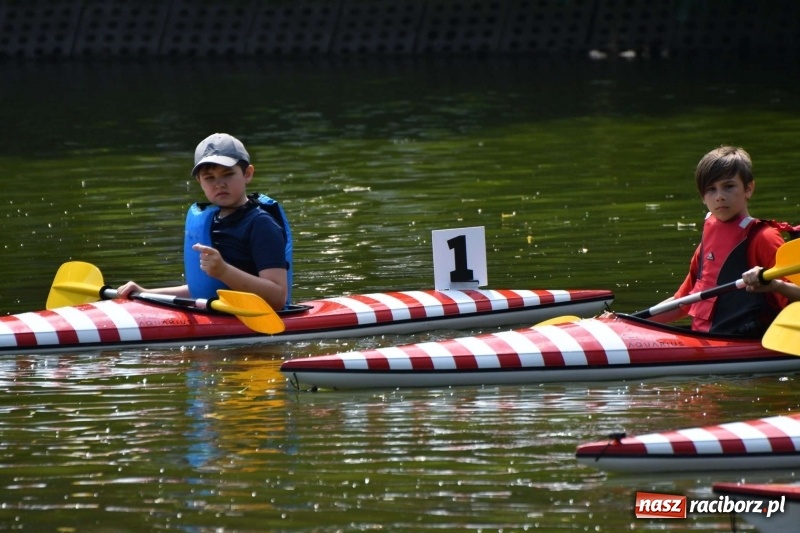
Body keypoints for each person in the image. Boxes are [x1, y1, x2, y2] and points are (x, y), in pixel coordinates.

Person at [117, 133, 291, 311]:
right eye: (209, 178)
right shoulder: (213, 222)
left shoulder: (262, 224)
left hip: (255, 317)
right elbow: (204, 290)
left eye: (228, 174)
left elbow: (277, 297)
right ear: (199, 181)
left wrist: (224, 271)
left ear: (247, 174)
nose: (219, 184)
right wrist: (145, 293)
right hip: (219, 314)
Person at [656, 145, 795, 335]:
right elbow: (683, 302)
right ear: (702, 197)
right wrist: (624, 321)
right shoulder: (707, 244)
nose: (720, 197)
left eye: (729, 186)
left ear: (748, 189)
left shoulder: (764, 238)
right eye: (711, 189)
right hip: (705, 339)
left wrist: (774, 285)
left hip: (747, 341)